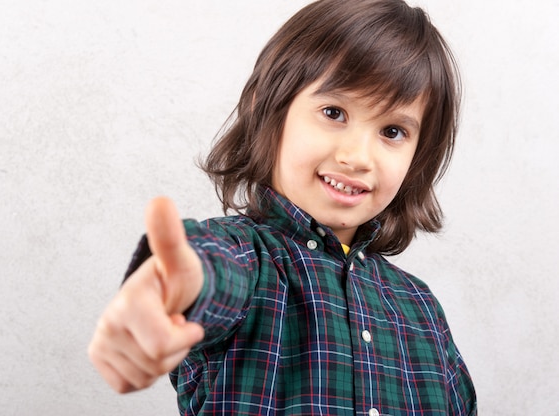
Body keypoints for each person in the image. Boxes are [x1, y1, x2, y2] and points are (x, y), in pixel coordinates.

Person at [88, 0, 477, 414]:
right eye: (334, 112)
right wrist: (164, 291)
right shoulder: (244, 261)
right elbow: (204, 271)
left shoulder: (421, 308)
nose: (359, 156)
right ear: (266, 106)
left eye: (393, 131)